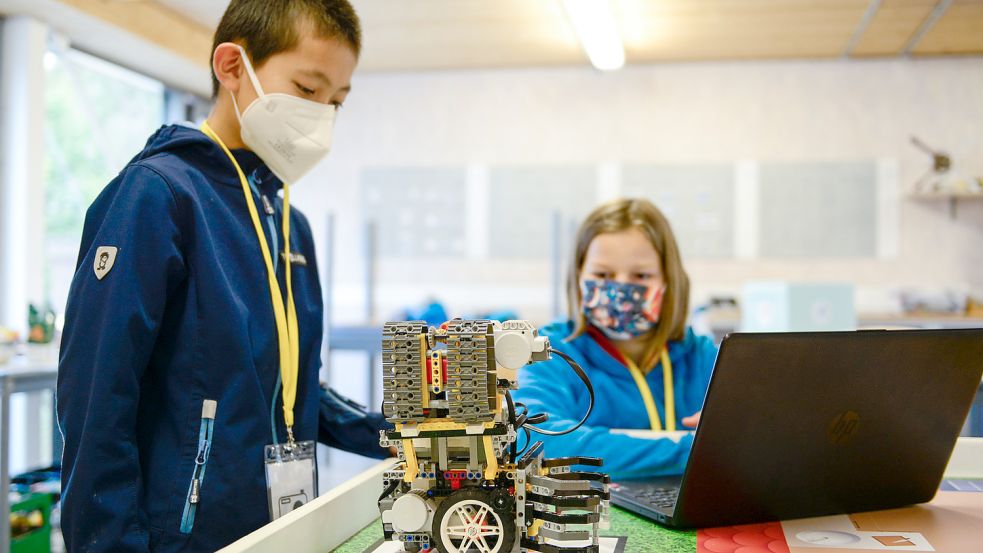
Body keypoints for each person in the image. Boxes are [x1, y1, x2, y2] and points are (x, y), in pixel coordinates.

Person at [56, 1, 380, 551]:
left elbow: (289, 384)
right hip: (180, 536)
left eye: (337, 103)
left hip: (281, 528)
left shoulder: (288, 224)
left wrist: (404, 431)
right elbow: (96, 401)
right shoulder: (158, 195)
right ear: (232, 67)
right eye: (307, 89)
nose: (322, 114)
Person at [513, 198, 718, 480]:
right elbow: (534, 443)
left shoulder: (704, 357)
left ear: (669, 280)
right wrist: (696, 450)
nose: (620, 287)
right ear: (578, 277)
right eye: (602, 274)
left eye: (641, 275)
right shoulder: (548, 353)